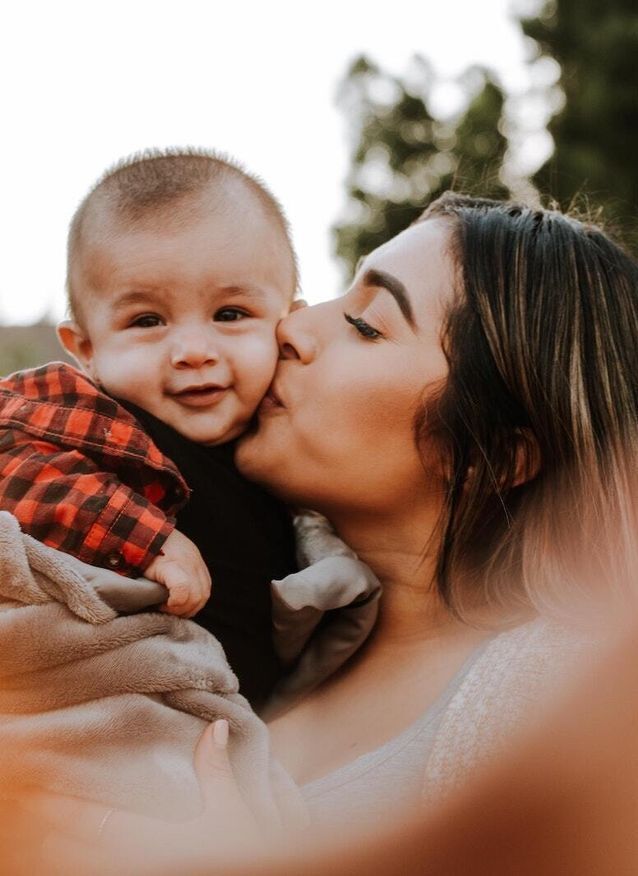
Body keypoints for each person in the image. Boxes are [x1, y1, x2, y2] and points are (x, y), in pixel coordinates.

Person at [12, 192, 638, 865]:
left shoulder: (554, 704)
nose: (293, 328)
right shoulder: (278, 616)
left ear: (492, 455)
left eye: (366, 324)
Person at [0, 149, 303, 707]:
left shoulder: (294, 438)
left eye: (230, 314)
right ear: (86, 349)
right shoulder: (96, 416)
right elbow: (6, 453)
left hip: (251, 731)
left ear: (289, 323)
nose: (192, 352)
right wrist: (140, 535)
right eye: (147, 321)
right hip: (111, 716)